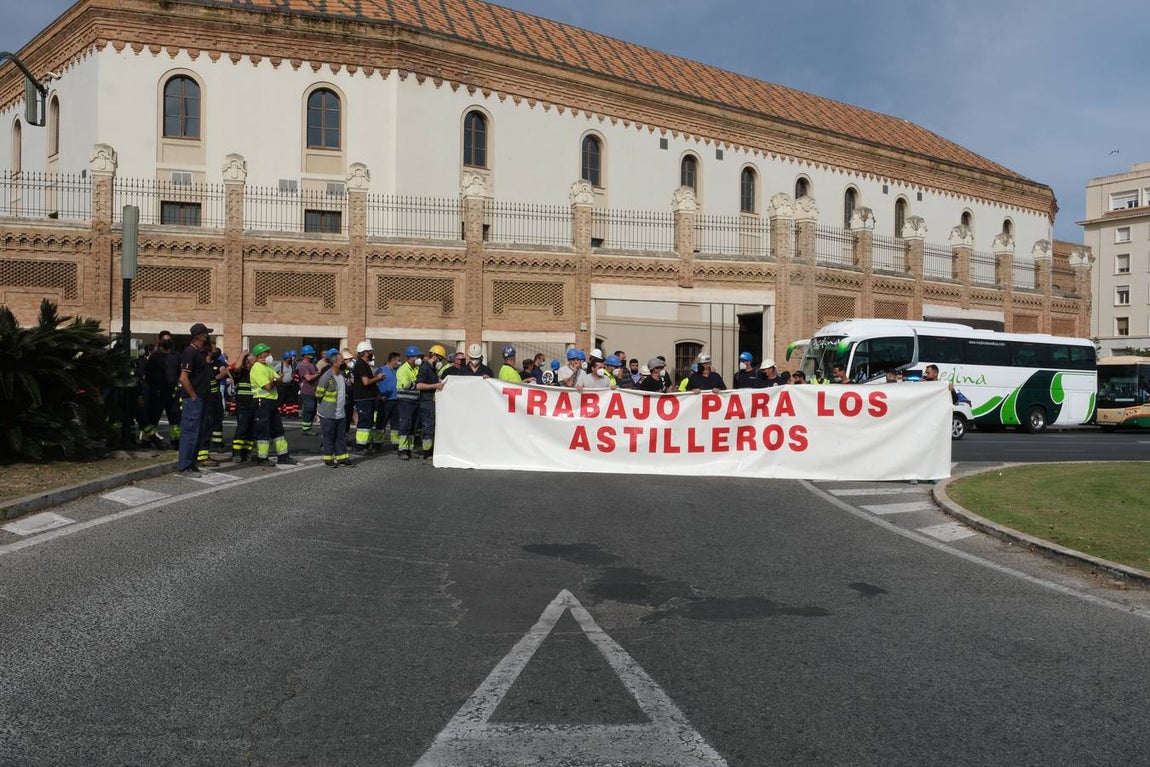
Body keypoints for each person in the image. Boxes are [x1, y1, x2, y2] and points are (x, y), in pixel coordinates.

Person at [249, 342, 299, 466]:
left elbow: (278, 378)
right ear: (260, 354)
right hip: (262, 401)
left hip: (271, 400)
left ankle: (283, 455)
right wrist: (275, 380)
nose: (269, 354)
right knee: (263, 431)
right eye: (267, 352)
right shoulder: (257, 368)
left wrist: (275, 380)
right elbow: (268, 385)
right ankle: (262, 458)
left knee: (278, 430)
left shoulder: (268, 366)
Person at [176, 323, 213, 474]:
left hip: (202, 398)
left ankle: (191, 463)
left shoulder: (200, 353)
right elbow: (184, 377)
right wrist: (193, 396)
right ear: (200, 336)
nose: (207, 336)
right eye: (206, 334)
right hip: (194, 400)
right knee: (190, 432)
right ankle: (184, 465)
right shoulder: (189, 352)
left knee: (198, 432)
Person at [315, 350, 355, 468]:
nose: (345, 363)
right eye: (342, 361)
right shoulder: (326, 377)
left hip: (340, 413)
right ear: (335, 363)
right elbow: (318, 394)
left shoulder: (342, 375)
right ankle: (329, 459)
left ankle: (342, 458)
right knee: (329, 437)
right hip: (328, 413)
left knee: (341, 437)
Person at [351, 341, 385, 452]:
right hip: (363, 398)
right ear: (365, 352)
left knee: (368, 422)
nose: (371, 353)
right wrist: (378, 378)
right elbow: (365, 381)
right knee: (364, 422)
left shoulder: (364, 364)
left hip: (368, 397)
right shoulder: (361, 364)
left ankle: (365, 444)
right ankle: (360, 446)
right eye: (370, 351)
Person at [416, 344, 447, 459]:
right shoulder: (425, 368)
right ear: (434, 356)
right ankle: (426, 452)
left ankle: (431, 450)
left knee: (433, 427)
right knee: (428, 427)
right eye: (440, 359)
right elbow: (419, 385)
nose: (440, 361)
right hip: (426, 402)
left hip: (432, 402)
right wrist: (435, 385)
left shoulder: (433, 369)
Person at [394, 345, 423, 460]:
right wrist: (418, 384)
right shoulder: (403, 369)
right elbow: (406, 385)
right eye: (417, 356)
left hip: (415, 400)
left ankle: (410, 449)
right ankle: (402, 450)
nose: (418, 358)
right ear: (410, 357)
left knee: (413, 426)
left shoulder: (416, 368)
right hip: (405, 401)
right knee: (405, 424)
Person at [230, 352, 256, 462]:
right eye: (250, 361)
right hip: (243, 404)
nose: (252, 363)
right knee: (242, 427)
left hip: (254, 403)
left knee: (251, 429)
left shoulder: (256, 372)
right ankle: (236, 452)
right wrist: (241, 355)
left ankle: (247, 451)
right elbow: (236, 368)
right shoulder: (241, 372)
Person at [375, 351, 401, 452]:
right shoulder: (381, 370)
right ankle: (377, 444)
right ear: (393, 360)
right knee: (381, 423)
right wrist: (378, 396)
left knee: (395, 424)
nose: (399, 362)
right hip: (385, 401)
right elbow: (374, 383)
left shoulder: (397, 371)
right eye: (398, 360)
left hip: (396, 400)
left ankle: (396, 444)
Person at [296, 345, 320, 434]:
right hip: (307, 391)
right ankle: (306, 429)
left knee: (312, 409)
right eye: (310, 354)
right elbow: (308, 378)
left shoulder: (312, 364)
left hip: (313, 391)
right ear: (305, 355)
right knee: (308, 409)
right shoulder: (303, 365)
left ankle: (308, 427)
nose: (312, 355)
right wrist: (317, 374)